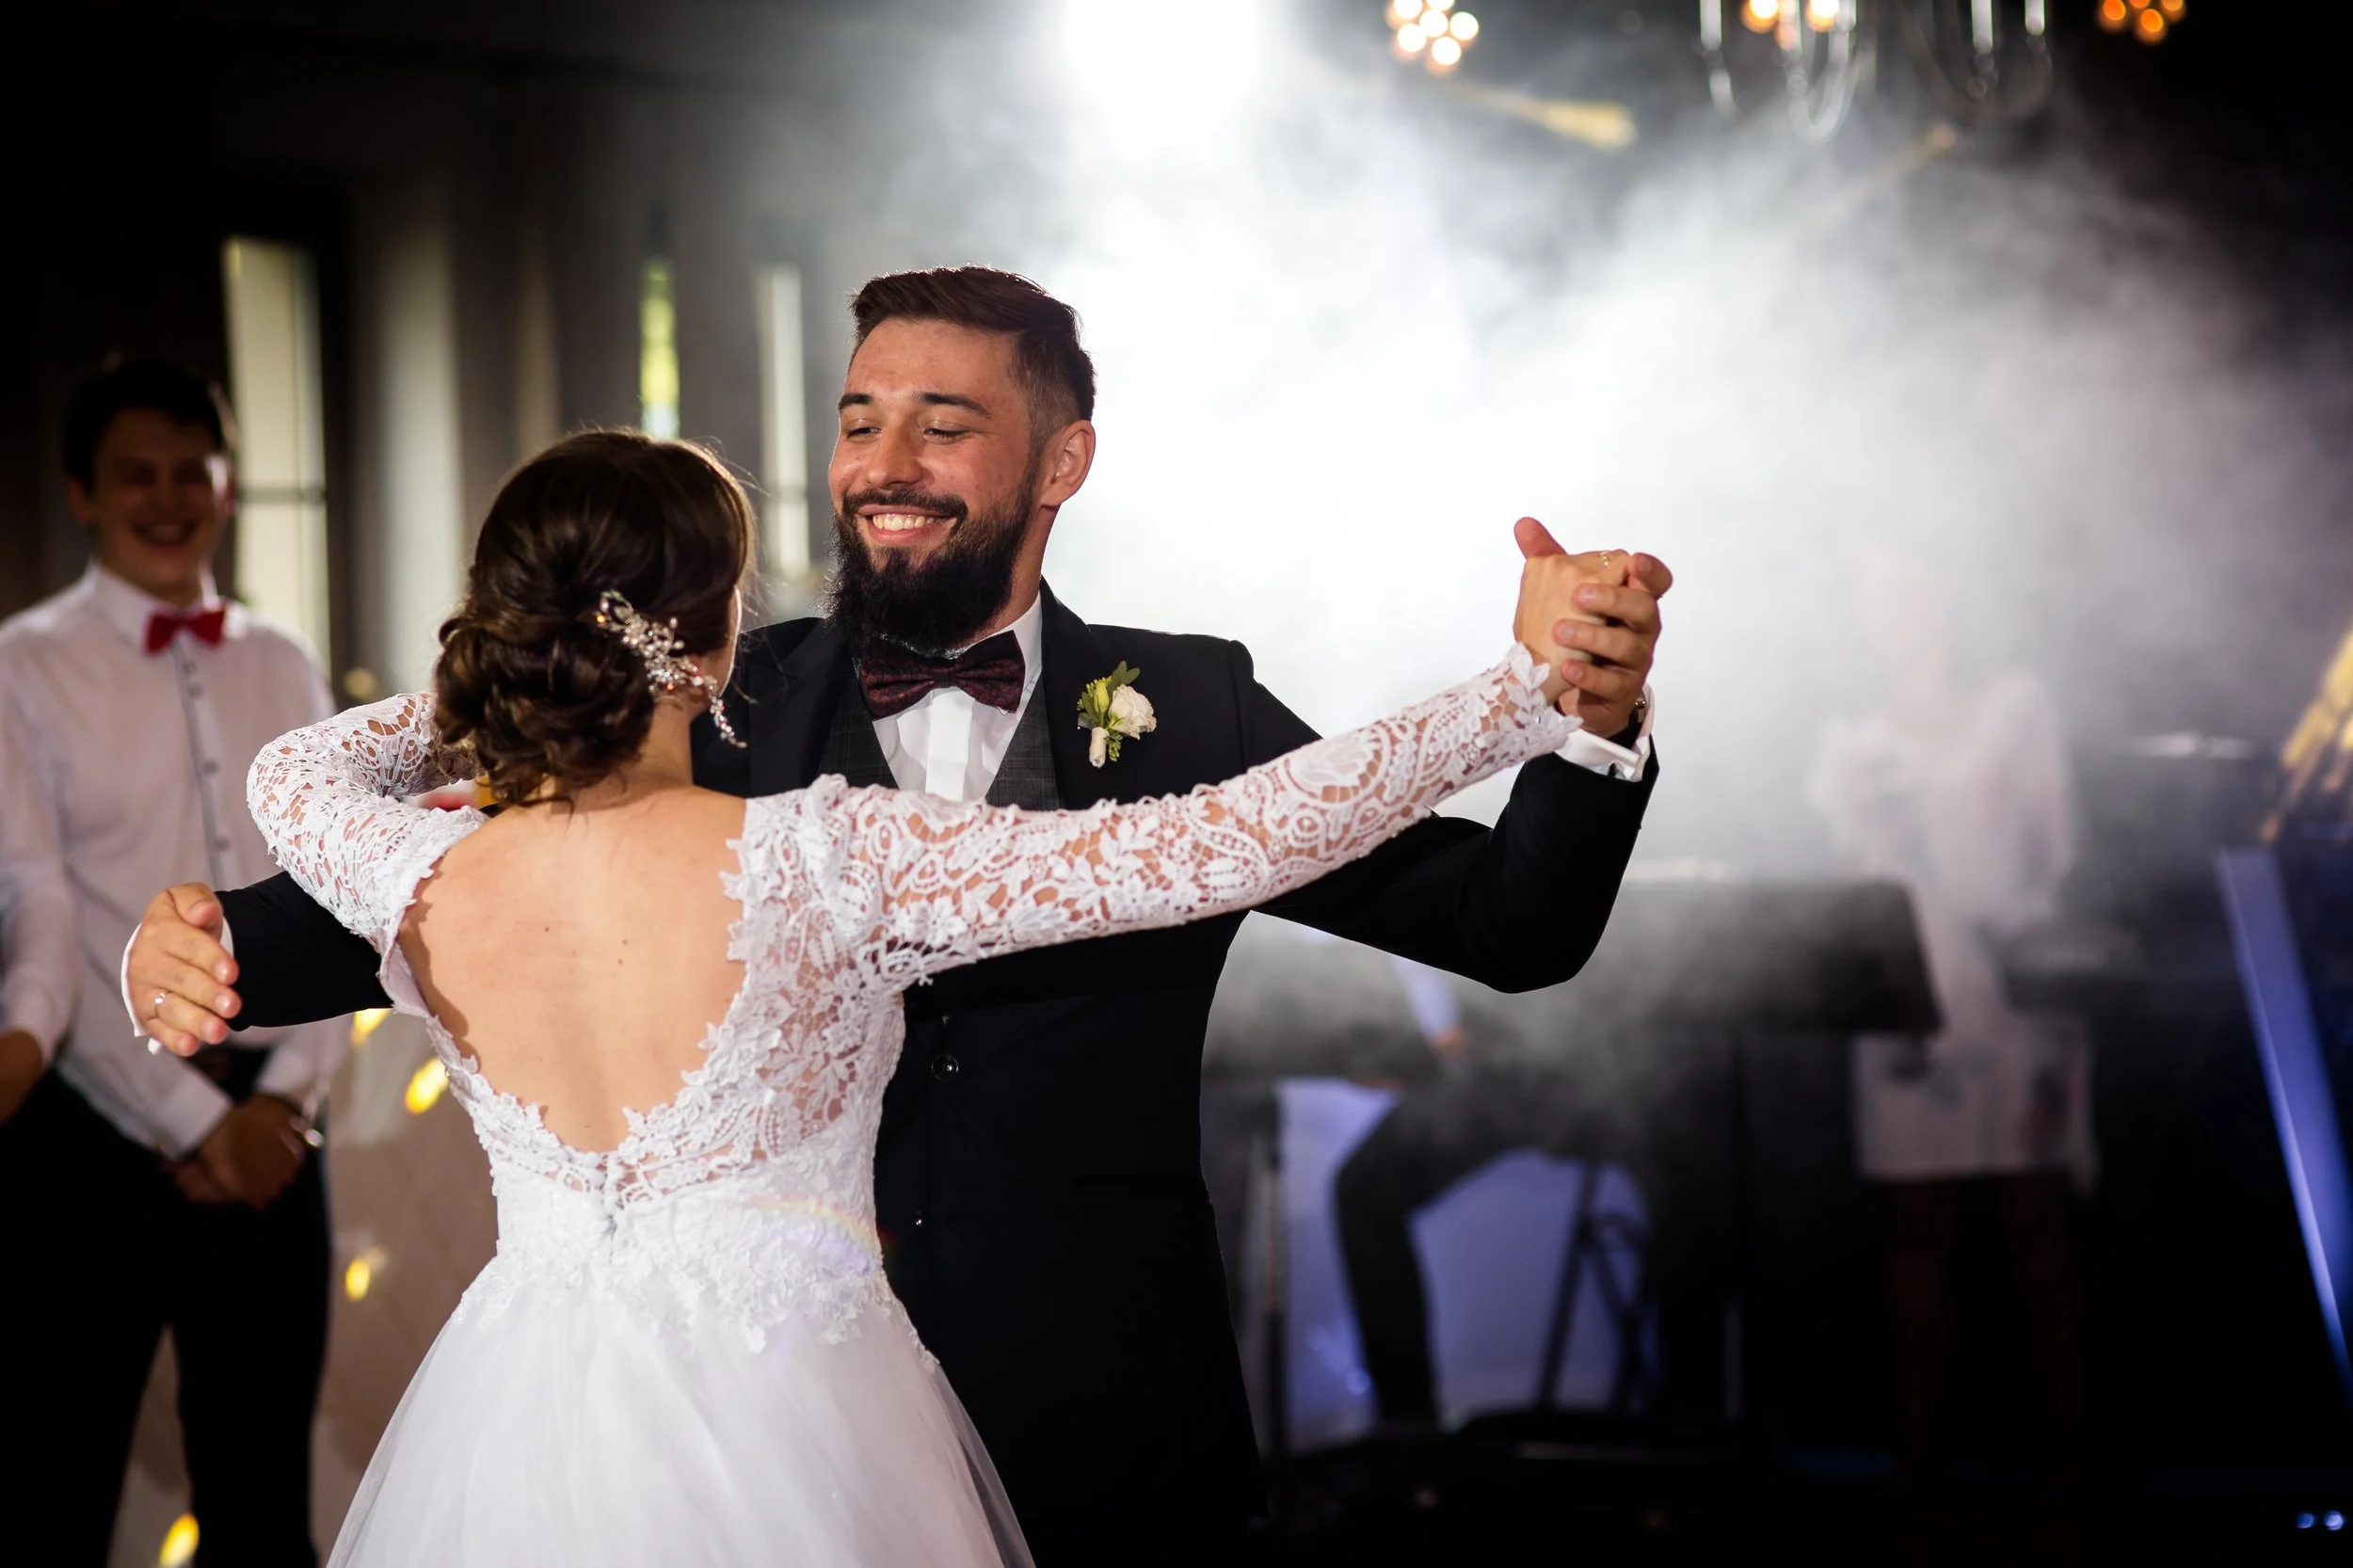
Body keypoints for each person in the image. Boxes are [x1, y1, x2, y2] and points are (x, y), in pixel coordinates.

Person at [128, 266, 1672, 1564]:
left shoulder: (1190, 699)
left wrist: (1585, 717)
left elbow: (1504, 923)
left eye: (944, 423)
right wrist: (196, 943)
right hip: (753, 1439)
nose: (883, 461)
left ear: (1061, 462)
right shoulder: (701, 692)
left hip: (1106, 1423)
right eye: (859, 419)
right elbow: (461, 899)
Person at [0, 359, 344, 1566]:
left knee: (263, 1505)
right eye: (134, 475)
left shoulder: (284, 661)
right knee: (58, 1491)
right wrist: (197, 1122)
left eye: (189, 473)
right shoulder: (22, 665)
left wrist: (287, 1100)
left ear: (228, 485)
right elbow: (46, 909)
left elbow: (335, 891)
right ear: (82, 493)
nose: (166, 499)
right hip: (95, 1133)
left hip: (278, 1133)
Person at [1805, 547, 2089, 1496]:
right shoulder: (1848, 738)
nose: (1901, 610)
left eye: (1917, 589)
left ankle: (2070, 1462)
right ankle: (1918, 1461)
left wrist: (2023, 937)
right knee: (1915, 1222)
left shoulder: (2015, 708)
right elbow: (1843, 876)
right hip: (1903, 1000)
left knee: (2035, 1215)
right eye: (1881, 596)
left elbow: (2057, 850)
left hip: (2009, 989)